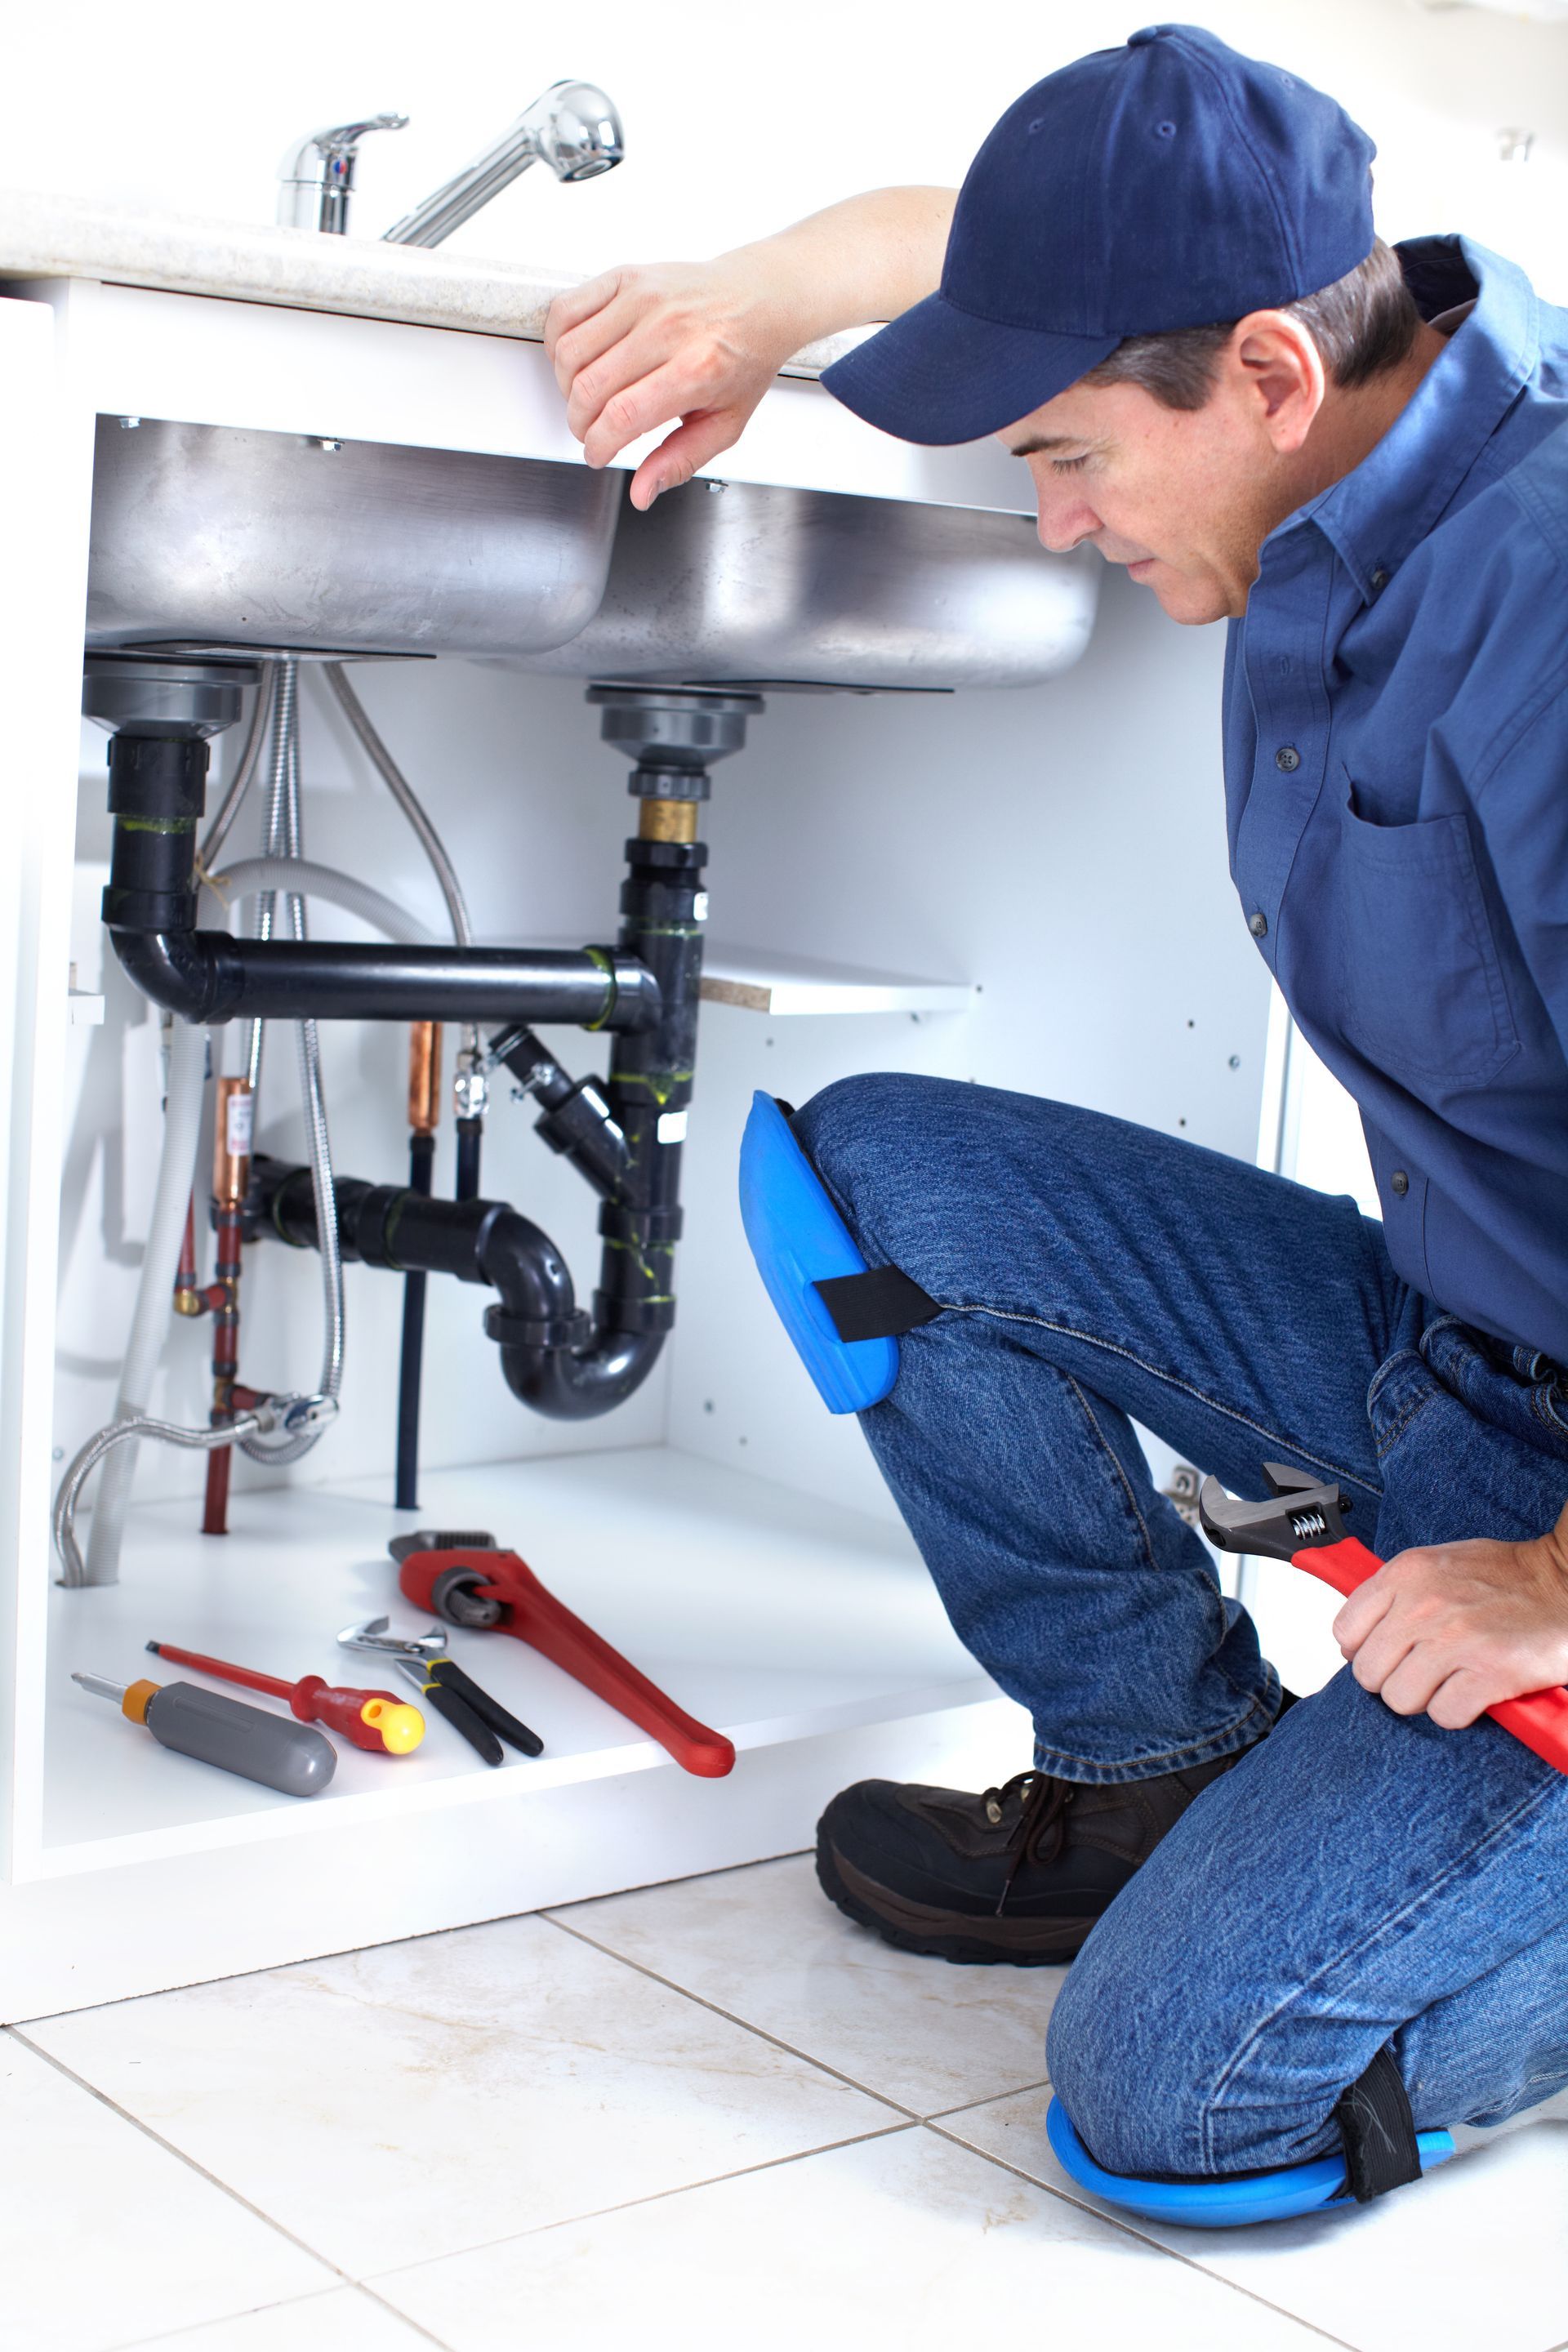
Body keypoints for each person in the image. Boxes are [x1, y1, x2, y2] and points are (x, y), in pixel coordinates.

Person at [546, 24, 1568, 2188]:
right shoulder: (1344, 376)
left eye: (1075, 453)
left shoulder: (1545, 595)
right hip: (1466, 1353)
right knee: (872, 1185)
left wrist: (1548, 1585)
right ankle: (1164, 1763)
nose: (1053, 512)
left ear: (1274, 379)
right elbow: (976, 242)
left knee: (1183, 2096)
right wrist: (750, 300)